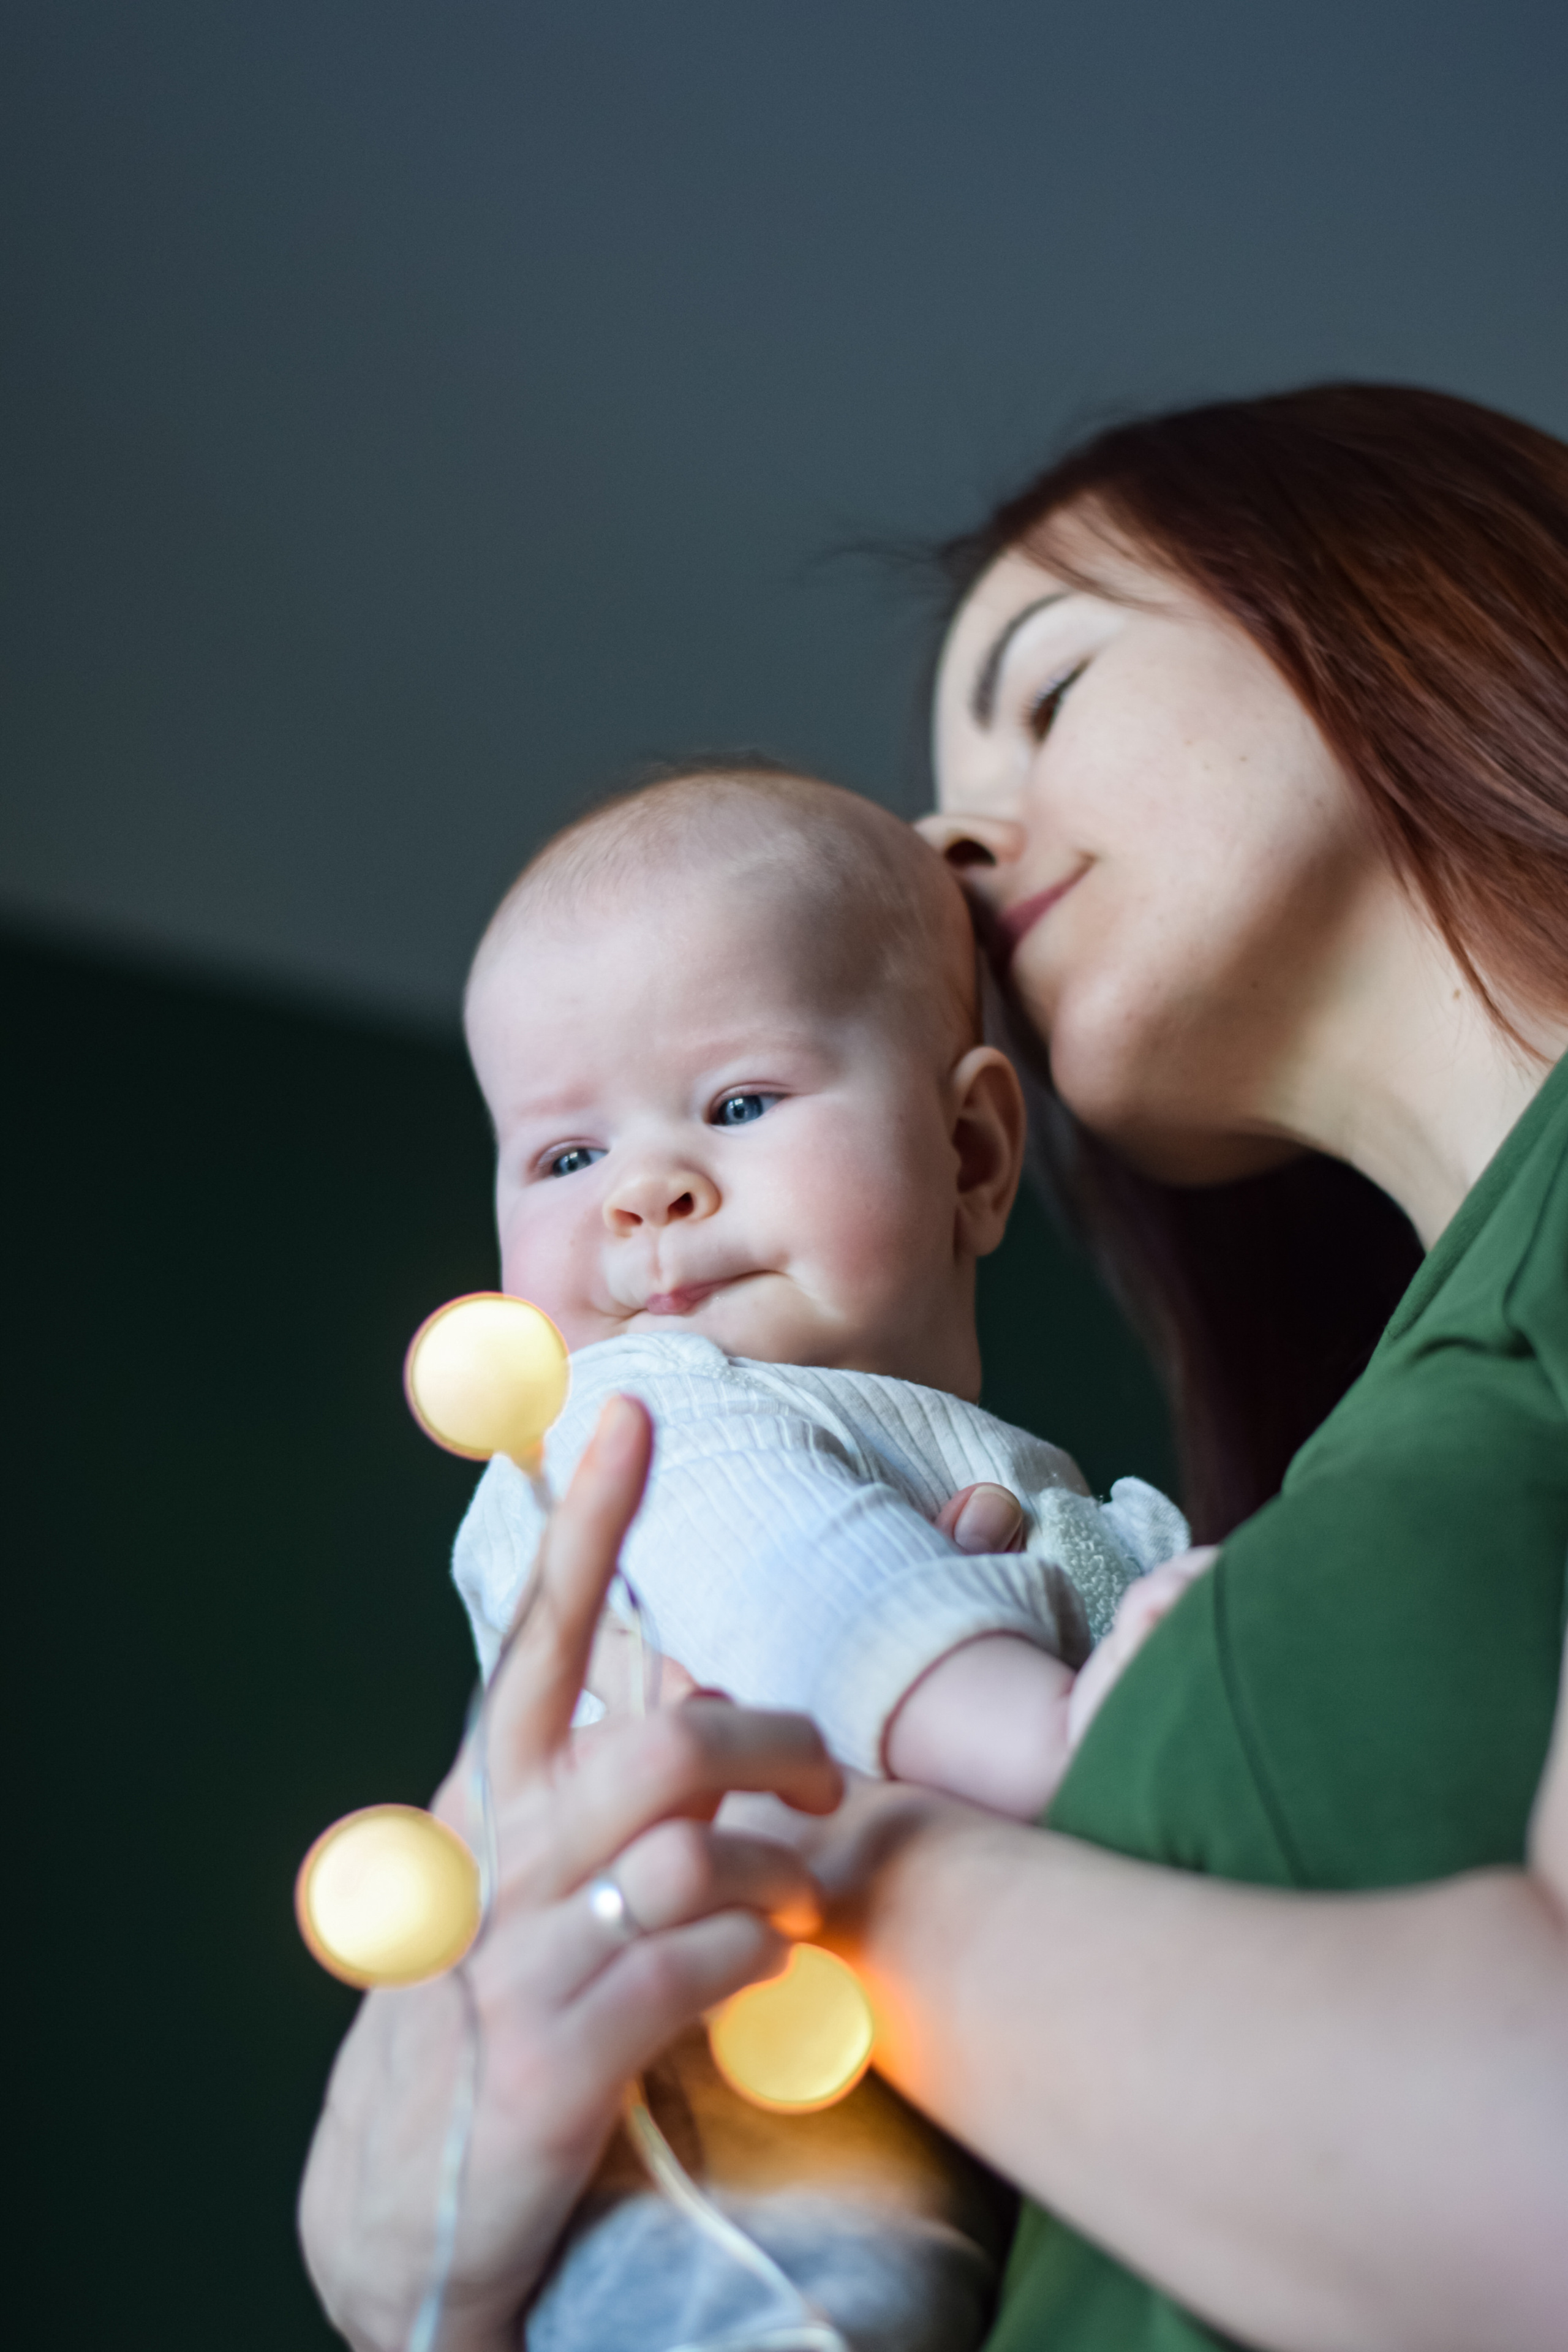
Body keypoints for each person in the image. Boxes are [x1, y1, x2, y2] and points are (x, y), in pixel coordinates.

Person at [300, 383, 1568, 2352]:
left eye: (1047, 691)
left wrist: (849, 1862)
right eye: (561, 1155)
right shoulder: (1350, 1456)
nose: (947, 833)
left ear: (1414, 605)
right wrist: (409, 2246)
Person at [453, 766, 1190, 2347]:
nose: (649, 1192)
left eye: (735, 1106)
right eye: (564, 1158)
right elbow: (800, 1595)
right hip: (726, 2066)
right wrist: (1053, 1732)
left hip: (942, 2049)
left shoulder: (955, 1458)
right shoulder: (638, 1409)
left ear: (976, 1156)